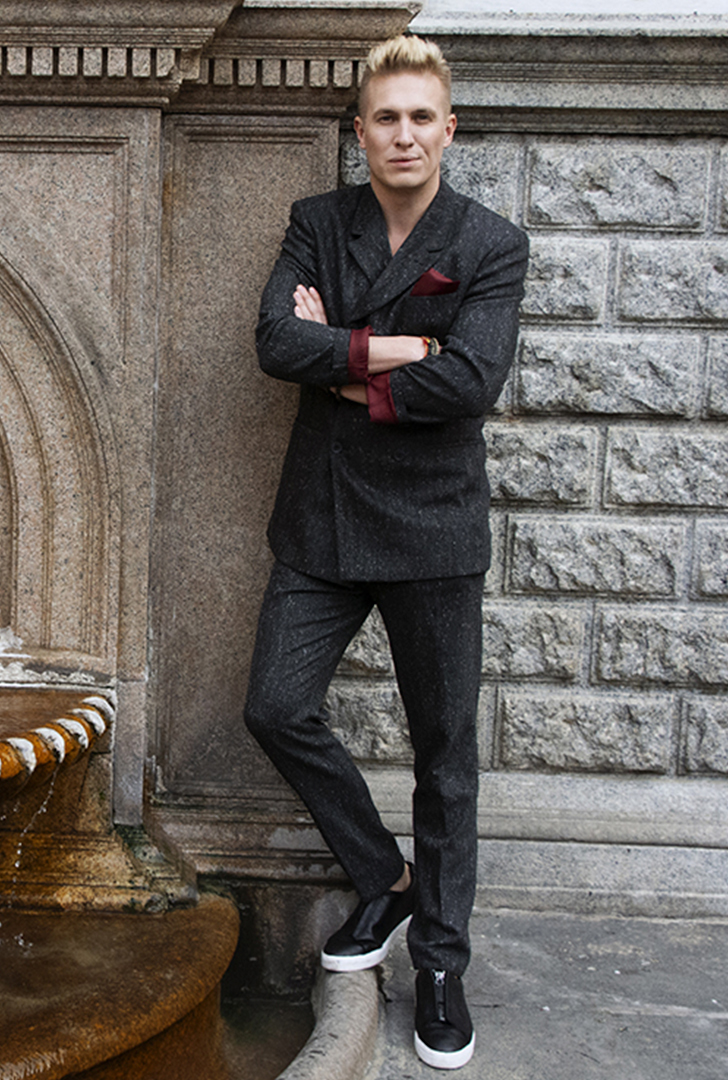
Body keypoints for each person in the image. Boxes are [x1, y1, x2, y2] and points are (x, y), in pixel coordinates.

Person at [243, 34, 528, 1071]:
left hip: (435, 527)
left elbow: (475, 381)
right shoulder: (318, 223)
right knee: (275, 706)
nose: (403, 135)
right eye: (385, 118)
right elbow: (277, 343)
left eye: (420, 117)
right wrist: (405, 347)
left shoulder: (489, 243)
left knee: (445, 756)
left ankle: (441, 962)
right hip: (323, 520)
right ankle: (388, 881)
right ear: (359, 131)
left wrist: (343, 366)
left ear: (448, 129)